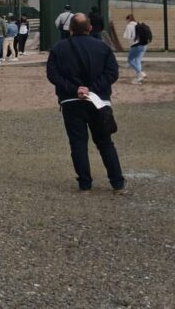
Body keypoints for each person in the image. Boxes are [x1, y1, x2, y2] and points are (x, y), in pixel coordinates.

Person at [45, 13, 125, 194]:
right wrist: (92, 89)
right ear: (90, 28)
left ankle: (85, 184)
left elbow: (53, 74)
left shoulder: (59, 48)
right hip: (99, 101)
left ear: (70, 29)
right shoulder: (103, 48)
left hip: (71, 101)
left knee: (78, 143)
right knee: (105, 142)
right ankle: (117, 183)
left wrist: (76, 89)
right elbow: (112, 72)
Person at [123, 14, 147, 83]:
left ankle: (140, 73)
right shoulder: (138, 24)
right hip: (144, 45)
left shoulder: (129, 26)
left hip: (135, 45)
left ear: (128, 19)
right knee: (138, 60)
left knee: (130, 60)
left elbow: (127, 36)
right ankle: (139, 77)